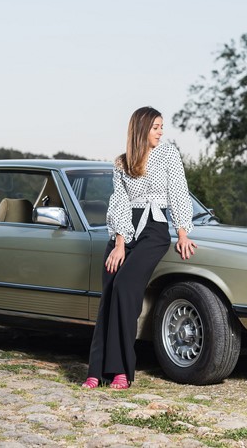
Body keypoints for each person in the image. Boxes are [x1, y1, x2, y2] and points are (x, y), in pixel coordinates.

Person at [81, 106, 197, 389]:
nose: (161, 131)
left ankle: (121, 371)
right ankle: (96, 371)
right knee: (109, 290)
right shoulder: (122, 162)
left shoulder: (168, 154)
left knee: (125, 288)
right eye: (156, 126)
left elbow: (179, 192)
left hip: (154, 231)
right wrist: (119, 243)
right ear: (141, 129)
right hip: (124, 231)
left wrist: (182, 233)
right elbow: (118, 202)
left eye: (161, 127)